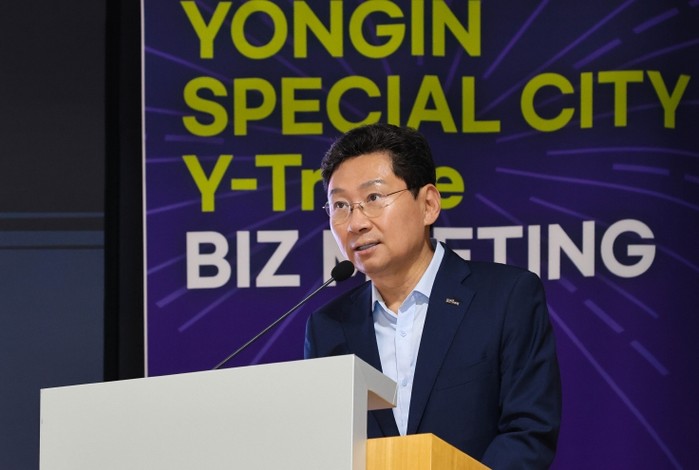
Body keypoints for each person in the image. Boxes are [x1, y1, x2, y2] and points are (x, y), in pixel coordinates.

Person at [304, 123, 562, 469]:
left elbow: (528, 433)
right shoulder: (327, 328)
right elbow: (326, 449)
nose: (355, 223)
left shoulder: (506, 298)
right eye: (340, 205)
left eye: (373, 198)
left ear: (428, 204)